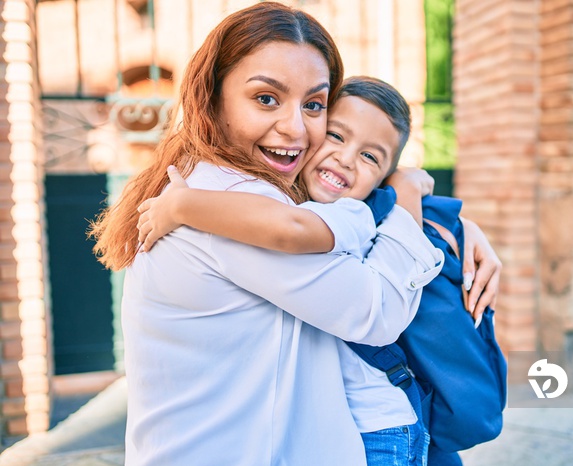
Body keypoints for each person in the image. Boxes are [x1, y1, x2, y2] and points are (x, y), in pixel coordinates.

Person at [90, 4, 447, 466]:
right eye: (266, 99)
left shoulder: (214, 188)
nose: (296, 128)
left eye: (314, 105)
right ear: (212, 97)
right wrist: (406, 198)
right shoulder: (231, 205)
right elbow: (375, 310)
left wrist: (453, 224)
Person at [135, 76, 502, 466]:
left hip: (378, 428)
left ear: (382, 180)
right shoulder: (313, 206)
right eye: (337, 137)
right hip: (356, 426)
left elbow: (290, 229)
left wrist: (181, 206)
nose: (346, 159)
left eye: (370, 157)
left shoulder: (352, 214)